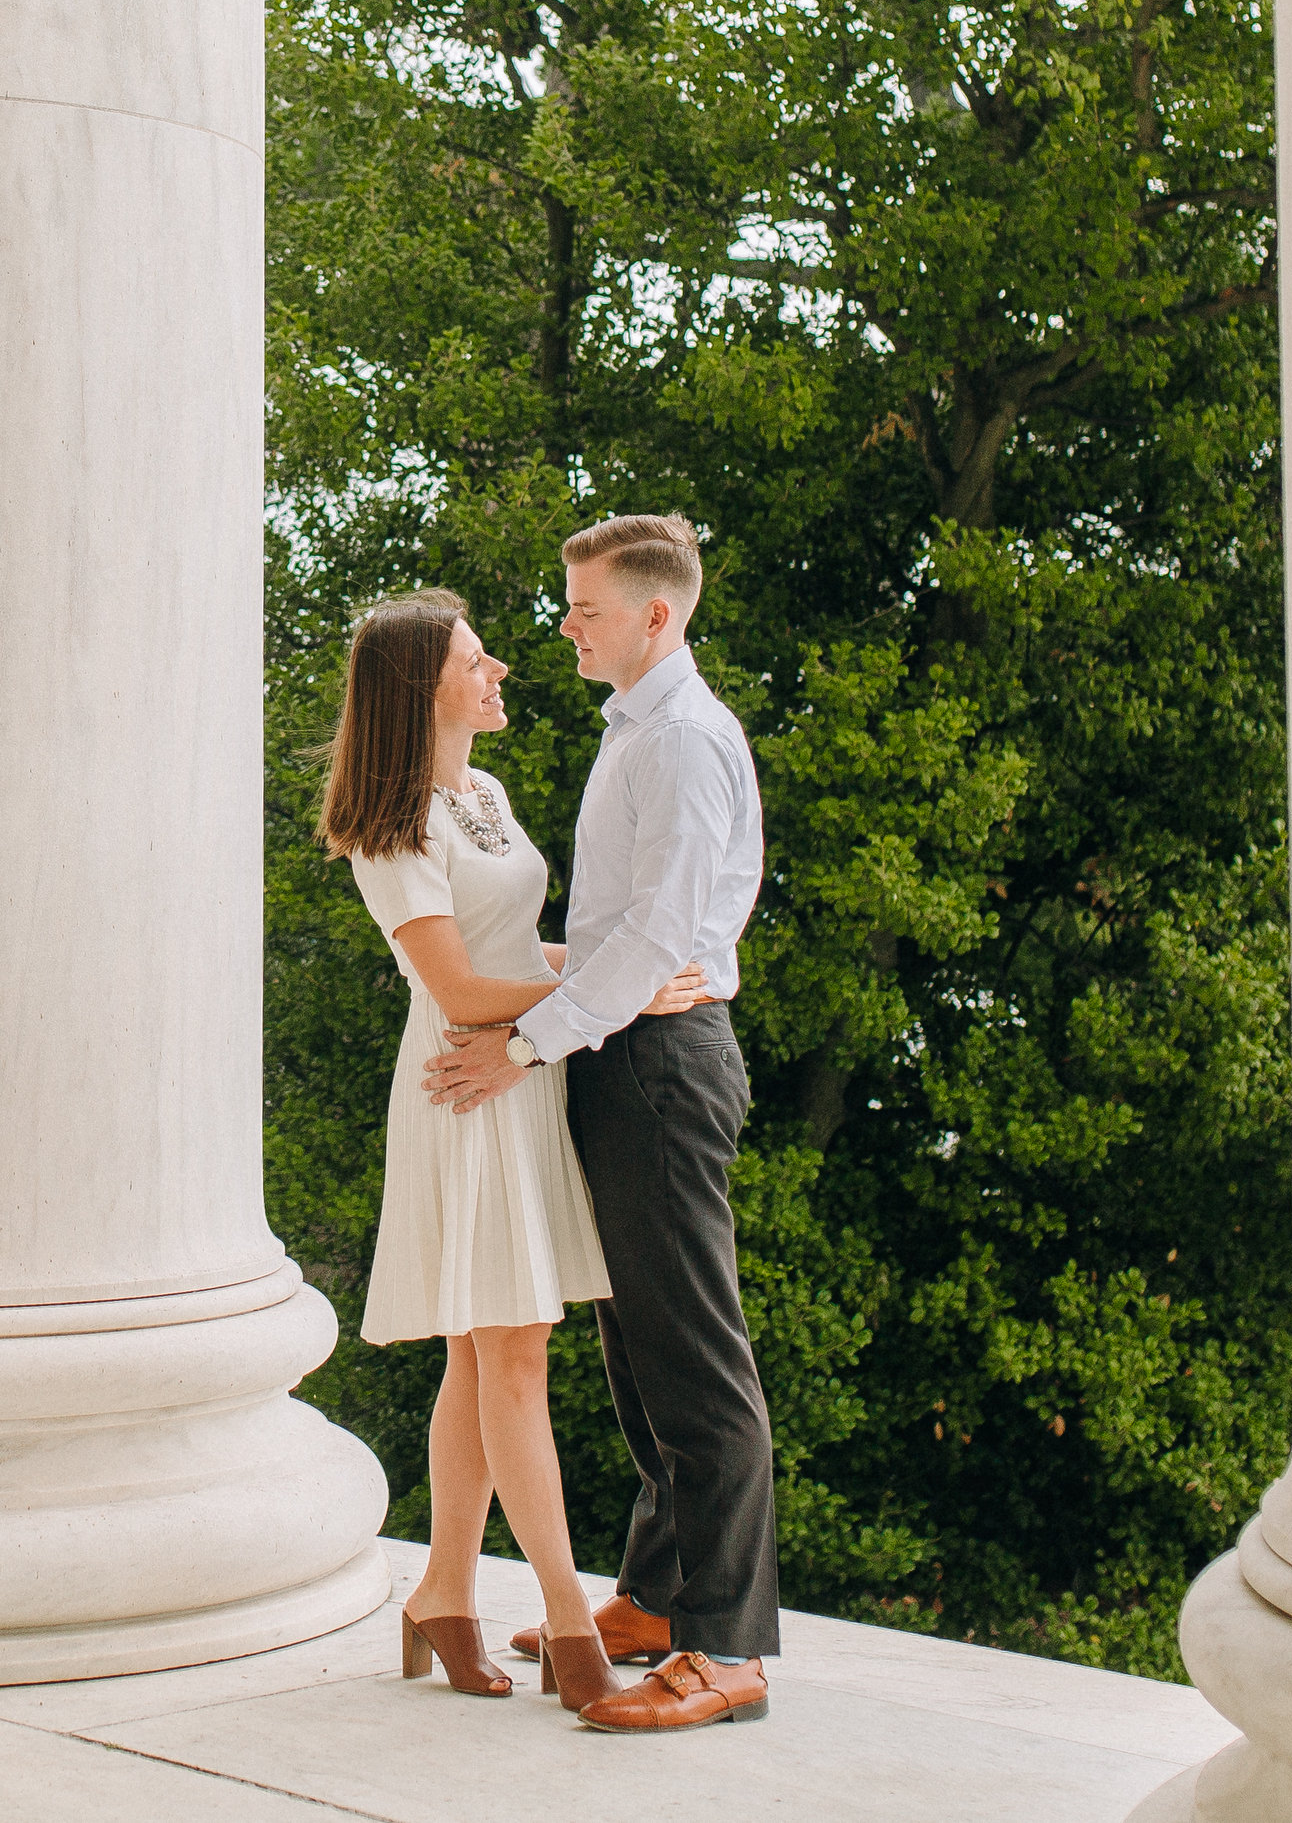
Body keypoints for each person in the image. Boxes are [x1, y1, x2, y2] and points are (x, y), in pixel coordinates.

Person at [318, 589, 705, 1714]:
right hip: (463, 1087)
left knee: (485, 1356)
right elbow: (453, 988)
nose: (500, 674)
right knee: (514, 1353)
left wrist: (578, 984)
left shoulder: (481, 794)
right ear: (419, 689)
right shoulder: (390, 827)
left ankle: (443, 1592)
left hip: (521, 1073)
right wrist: (615, 994)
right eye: (477, 661)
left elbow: (509, 949)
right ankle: (570, 1617)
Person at [424, 513, 779, 1735]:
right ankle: (655, 1595)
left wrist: (522, 1042)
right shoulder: (638, 732)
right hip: (620, 1052)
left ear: (654, 615)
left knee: (693, 1356)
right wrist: (570, 989)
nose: (563, 627)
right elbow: (632, 930)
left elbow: (666, 934)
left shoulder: (680, 740)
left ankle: (725, 1652)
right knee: (636, 1349)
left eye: (583, 608)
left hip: (662, 1067)